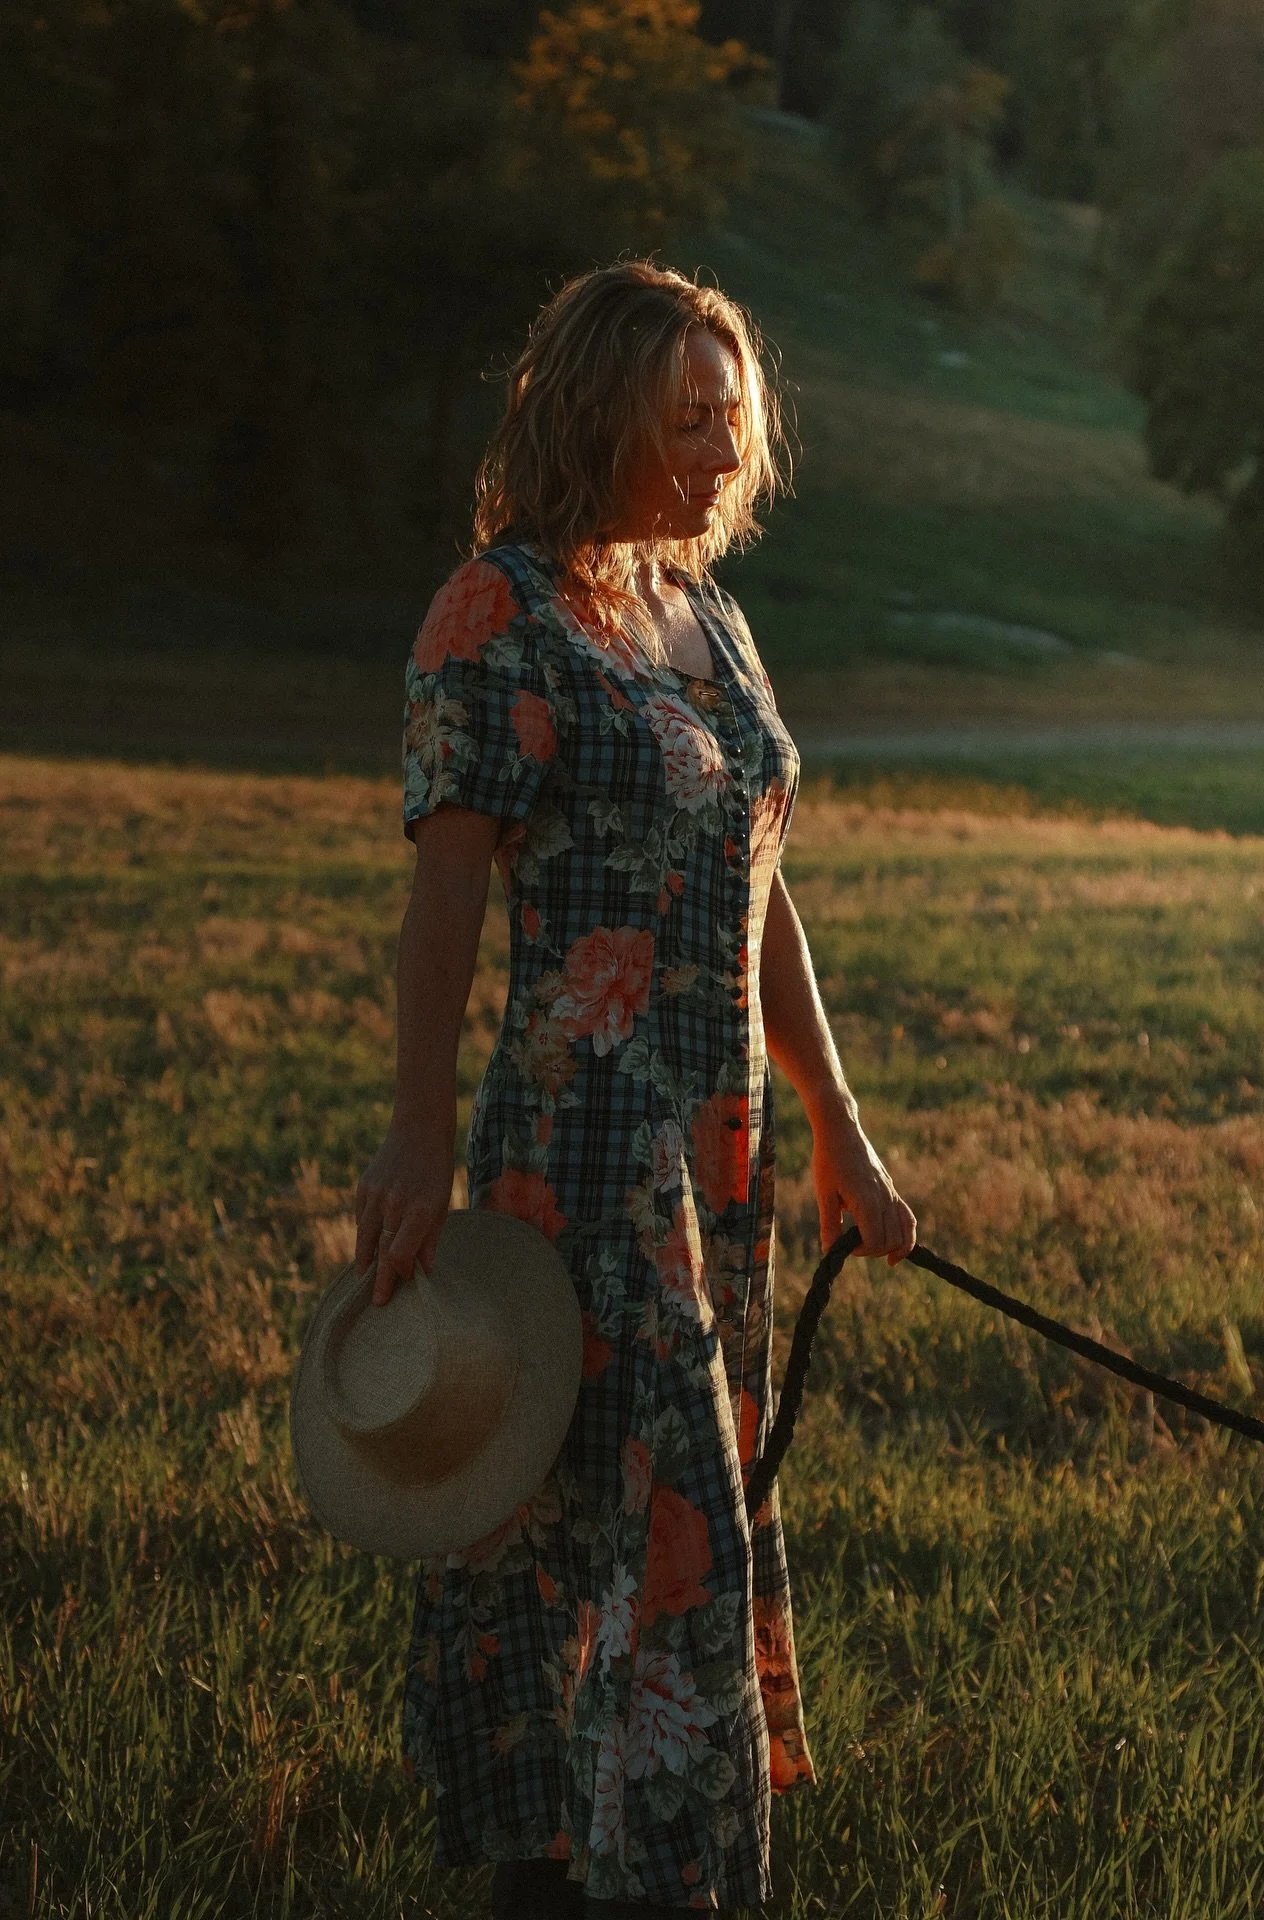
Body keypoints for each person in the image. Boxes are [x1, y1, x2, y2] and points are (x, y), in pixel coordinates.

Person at [354, 260, 916, 1917]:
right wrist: (414, 1139)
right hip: (586, 1157)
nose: (725, 452)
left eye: (735, 418)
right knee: (623, 1531)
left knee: (643, 1517)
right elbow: (443, 901)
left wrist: (839, 1129)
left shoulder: (706, 613)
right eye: (688, 420)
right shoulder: (499, 613)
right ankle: (624, 1876)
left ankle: (600, 1869)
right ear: (597, 415)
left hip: (720, 1157)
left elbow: (758, 885)